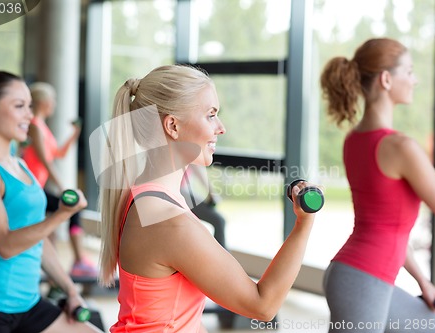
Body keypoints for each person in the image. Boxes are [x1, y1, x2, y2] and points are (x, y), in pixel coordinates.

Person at [95, 64, 318, 332]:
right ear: (173, 126)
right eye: (210, 115)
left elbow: (179, 316)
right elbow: (263, 305)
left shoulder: (142, 195)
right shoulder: (168, 222)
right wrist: (304, 224)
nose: (221, 128)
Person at [320, 38, 435, 333]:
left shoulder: (354, 140)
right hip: (362, 280)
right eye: (409, 71)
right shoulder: (400, 147)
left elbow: (387, 229)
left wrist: (424, 284)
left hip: (354, 275)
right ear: (386, 79)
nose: (415, 79)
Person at [0, 71, 101, 332]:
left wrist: (70, 290)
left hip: (30, 304)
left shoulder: (21, 165)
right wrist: (60, 215)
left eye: (29, 106)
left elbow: (38, 238)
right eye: (19, 106)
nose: (29, 114)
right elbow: (4, 244)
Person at [21, 82, 97, 277]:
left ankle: (53, 272)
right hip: (30, 188)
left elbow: (59, 153)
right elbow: (46, 162)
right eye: (52, 100)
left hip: (37, 188)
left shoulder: (42, 127)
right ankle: (79, 261)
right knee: (71, 211)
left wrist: (75, 133)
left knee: (52, 229)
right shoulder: (35, 127)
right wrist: (63, 187)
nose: (54, 104)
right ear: (44, 102)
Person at [181, 164, 227, 248]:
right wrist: (211, 193)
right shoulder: (189, 152)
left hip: (180, 192)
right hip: (177, 192)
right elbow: (197, 168)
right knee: (219, 220)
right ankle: (219, 258)